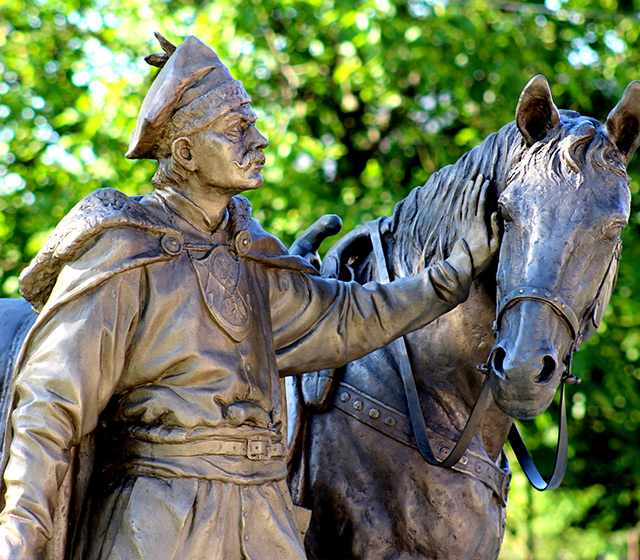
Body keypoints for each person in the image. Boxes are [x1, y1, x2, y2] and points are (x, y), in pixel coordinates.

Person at [0, 34, 499, 560]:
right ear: (185, 152)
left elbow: (349, 317)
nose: (258, 141)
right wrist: (21, 537)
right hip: (161, 524)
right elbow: (51, 406)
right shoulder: (127, 250)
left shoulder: (254, 260)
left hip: (265, 525)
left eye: (254, 124)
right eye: (238, 128)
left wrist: (448, 279)